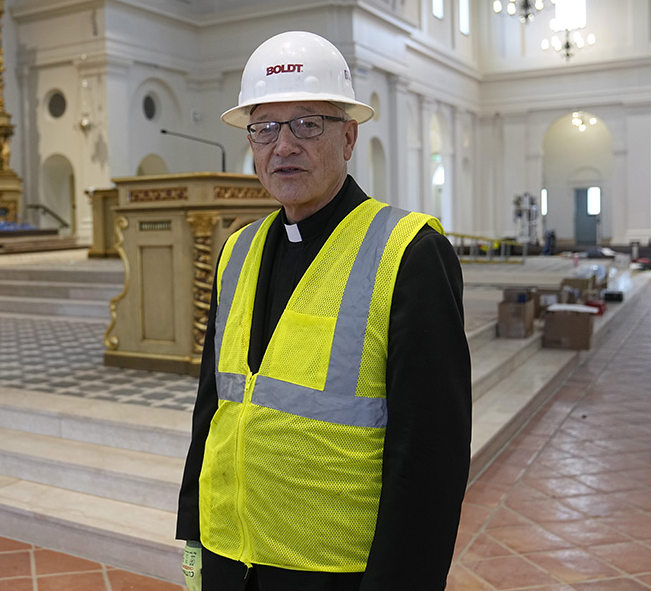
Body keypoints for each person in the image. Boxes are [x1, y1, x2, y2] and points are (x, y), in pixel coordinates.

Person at [176, 31, 471, 590]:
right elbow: (212, 408)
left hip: (332, 571)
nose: (283, 146)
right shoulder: (236, 251)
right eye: (263, 128)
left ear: (349, 137)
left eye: (307, 124)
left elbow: (431, 456)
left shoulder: (407, 252)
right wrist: (193, 532)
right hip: (228, 557)